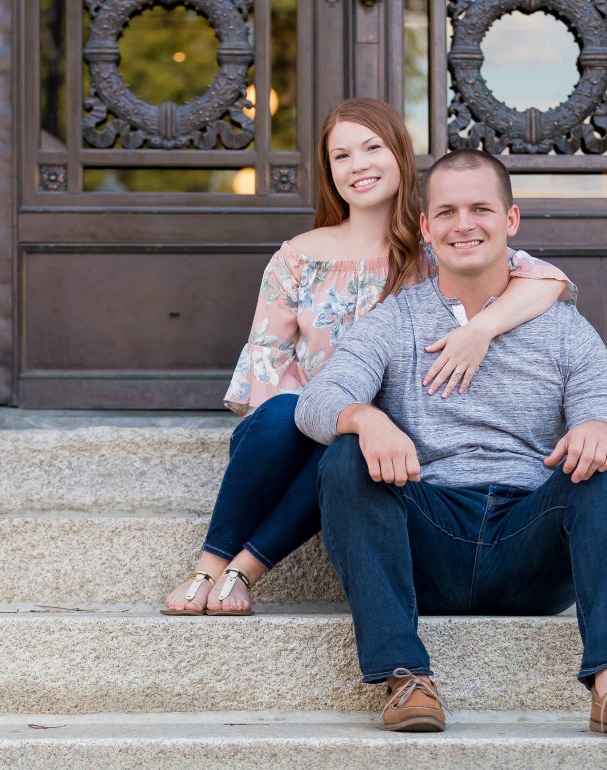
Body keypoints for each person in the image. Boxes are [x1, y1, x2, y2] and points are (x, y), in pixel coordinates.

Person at [294, 148, 607, 740]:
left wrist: (599, 431)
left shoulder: (565, 327)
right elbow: (315, 404)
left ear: (511, 220)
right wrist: (365, 418)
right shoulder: (396, 320)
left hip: (527, 544)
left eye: (480, 209)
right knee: (344, 454)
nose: (463, 224)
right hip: (430, 540)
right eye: (446, 211)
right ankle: (405, 677)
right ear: (425, 227)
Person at [163, 99, 574, 616]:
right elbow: (267, 373)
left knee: (351, 450)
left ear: (400, 154)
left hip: (391, 440)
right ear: (329, 171)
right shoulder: (297, 256)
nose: (358, 165)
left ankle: (241, 571)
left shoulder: (436, 247)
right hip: (301, 427)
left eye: (372, 148)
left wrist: (481, 329)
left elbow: (550, 281)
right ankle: (209, 566)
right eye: (342, 156)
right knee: (302, 421)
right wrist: (332, 415)